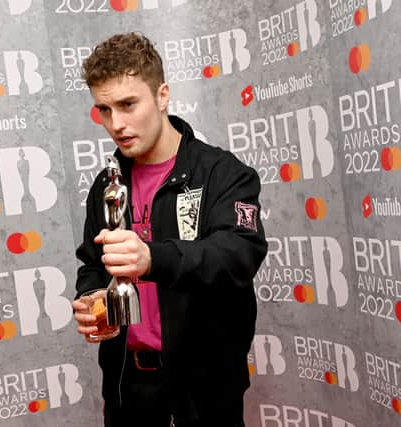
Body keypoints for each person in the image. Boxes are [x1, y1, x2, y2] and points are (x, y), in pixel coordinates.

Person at [72, 32, 268, 427]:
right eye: (105, 110)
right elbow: (93, 263)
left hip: (205, 391)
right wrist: (90, 298)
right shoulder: (107, 186)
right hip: (129, 389)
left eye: (128, 104)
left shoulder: (223, 173)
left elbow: (238, 252)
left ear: (162, 96)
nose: (117, 124)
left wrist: (152, 257)